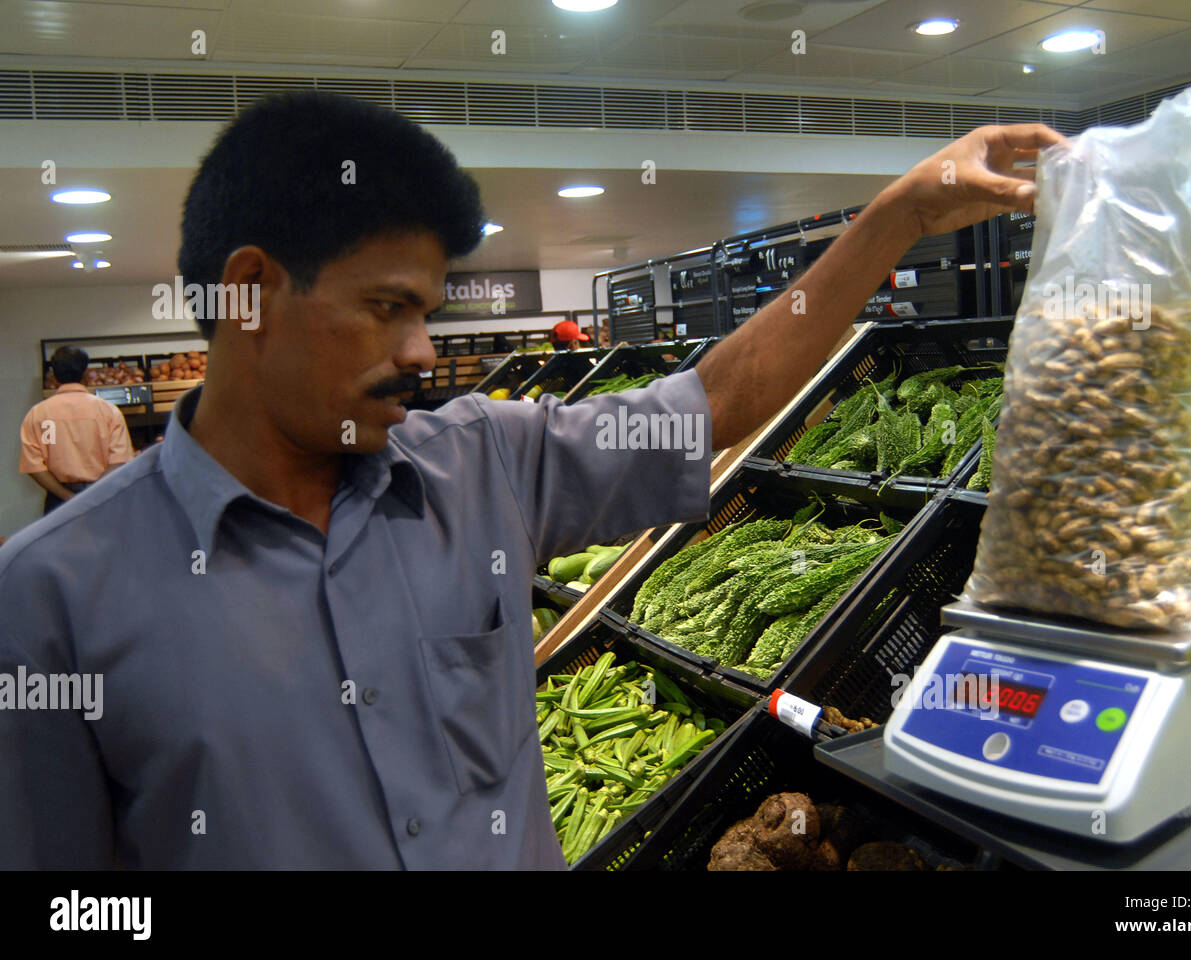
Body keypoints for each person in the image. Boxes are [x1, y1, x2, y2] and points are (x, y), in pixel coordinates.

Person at [0, 90, 1062, 869]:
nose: (423, 353)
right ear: (250, 297)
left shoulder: (481, 464)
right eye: (387, 308)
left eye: (430, 312)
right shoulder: (54, 597)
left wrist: (894, 222)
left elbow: (719, 404)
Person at [18, 346, 133, 515]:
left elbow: (34, 466)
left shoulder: (38, 414)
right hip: (103, 497)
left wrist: (66, 496)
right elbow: (119, 460)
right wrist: (92, 494)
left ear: (54, 376)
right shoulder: (109, 411)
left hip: (58, 500)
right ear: (86, 373)